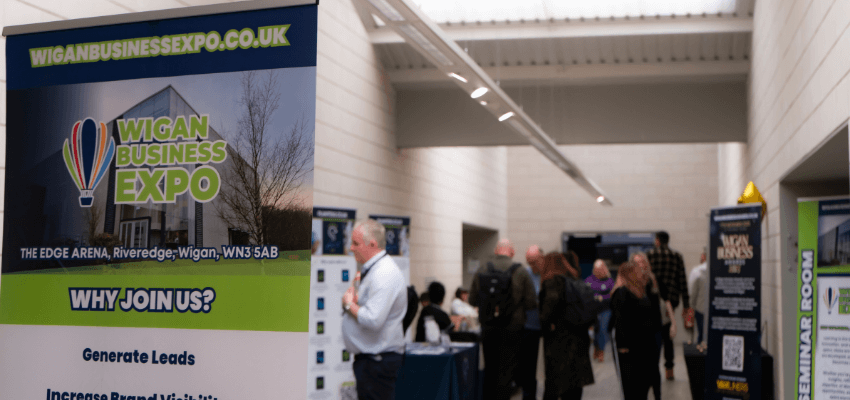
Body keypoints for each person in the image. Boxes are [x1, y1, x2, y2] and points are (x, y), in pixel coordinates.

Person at [341, 219, 408, 400]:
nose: (351, 248)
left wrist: (349, 304)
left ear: (372, 244)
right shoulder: (374, 270)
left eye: (356, 243)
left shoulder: (384, 273)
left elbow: (373, 319)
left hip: (377, 363)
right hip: (372, 361)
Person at [469, 238, 537, 400]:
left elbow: (472, 300)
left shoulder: (482, 269)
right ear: (512, 253)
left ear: (495, 251)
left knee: (490, 369)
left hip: (488, 328)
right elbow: (531, 302)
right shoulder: (520, 271)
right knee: (507, 371)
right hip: (512, 329)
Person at [539, 251, 593, 400]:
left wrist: (544, 324)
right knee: (574, 388)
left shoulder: (553, 283)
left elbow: (547, 314)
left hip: (560, 344)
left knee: (553, 388)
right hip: (580, 341)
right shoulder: (576, 282)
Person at [645, 230, 691, 380]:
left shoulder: (649, 255)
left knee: (652, 336)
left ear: (657, 240)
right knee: (668, 337)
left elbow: (644, 278)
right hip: (671, 301)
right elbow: (682, 280)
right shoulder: (677, 256)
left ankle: (651, 369)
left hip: (652, 301)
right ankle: (669, 369)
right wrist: (686, 305)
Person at [609, 261, 658, 400]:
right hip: (630, 348)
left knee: (642, 386)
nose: (641, 272)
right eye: (637, 270)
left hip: (644, 346)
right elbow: (619, 320)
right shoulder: (621, 293)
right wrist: (623, 346)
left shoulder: (643, 292)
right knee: (631, 388)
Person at [629, 252, 675, 400]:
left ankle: (657, 395)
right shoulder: (630, 283)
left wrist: (673, 323)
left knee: (653, 366)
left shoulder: (655, 280)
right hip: (637, 331)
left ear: (647, 263)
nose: (640, 265)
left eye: (642, 261)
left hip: (656, 329)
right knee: (640, 367)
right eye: (637, 262)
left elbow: (667, 301)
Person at [585, 259, 614, 362]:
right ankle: (596, 348)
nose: (599, 272)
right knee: (595, 331)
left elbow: (612, 295)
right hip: (593, 310)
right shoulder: (589, 280)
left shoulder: (609, 281)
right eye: (597, 269)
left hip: (605, 310)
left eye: (600, 269)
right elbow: (585, 293)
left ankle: (601, 351)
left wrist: (603, 297)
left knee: (602, 329)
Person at [688, 250, 709, 344]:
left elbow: (691, 291)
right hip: (716, 310)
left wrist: (691, 308)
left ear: (704, 256)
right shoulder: (720, 270)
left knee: (700, 334)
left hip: (701, 309)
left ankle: (700, 352)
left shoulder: (697, 271)